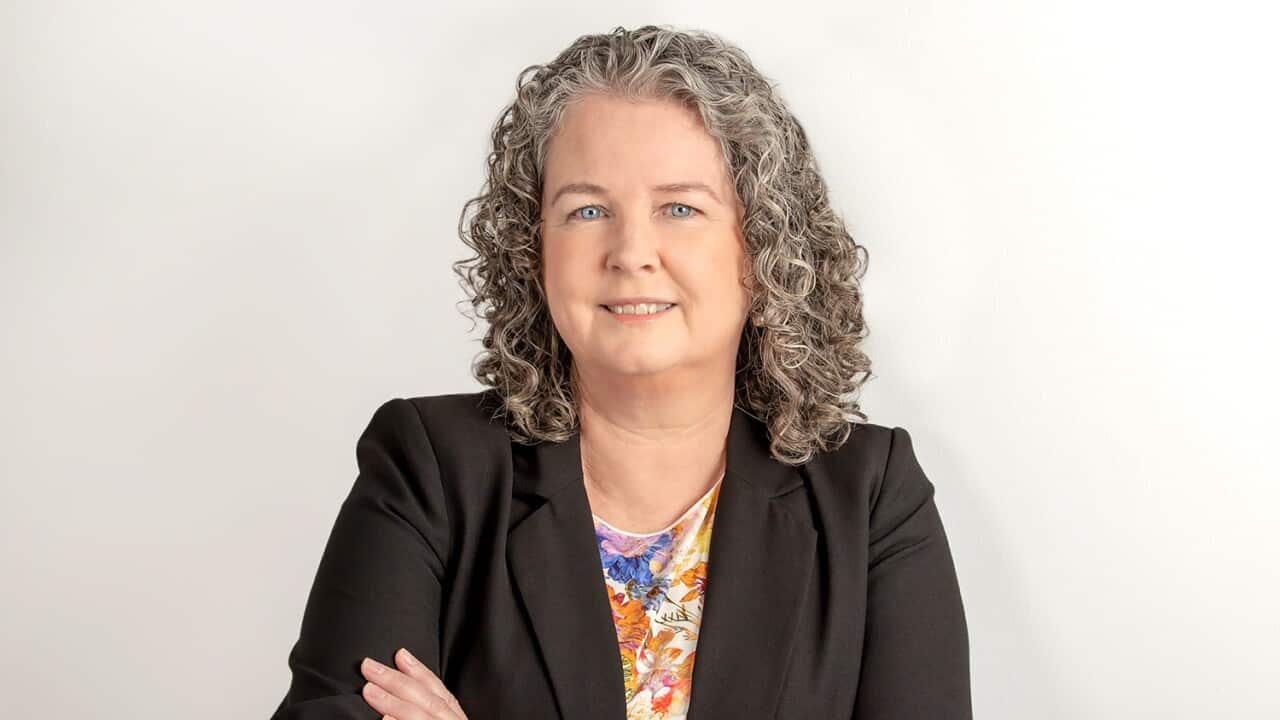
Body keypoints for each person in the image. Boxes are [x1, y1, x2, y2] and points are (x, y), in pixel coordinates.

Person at [270, 24, 971, 720]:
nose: (631, 250)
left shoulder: (871, 497)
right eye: (588, 210)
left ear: (762, 249)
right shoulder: (431, 470)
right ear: (533, 249)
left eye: (679, 208)